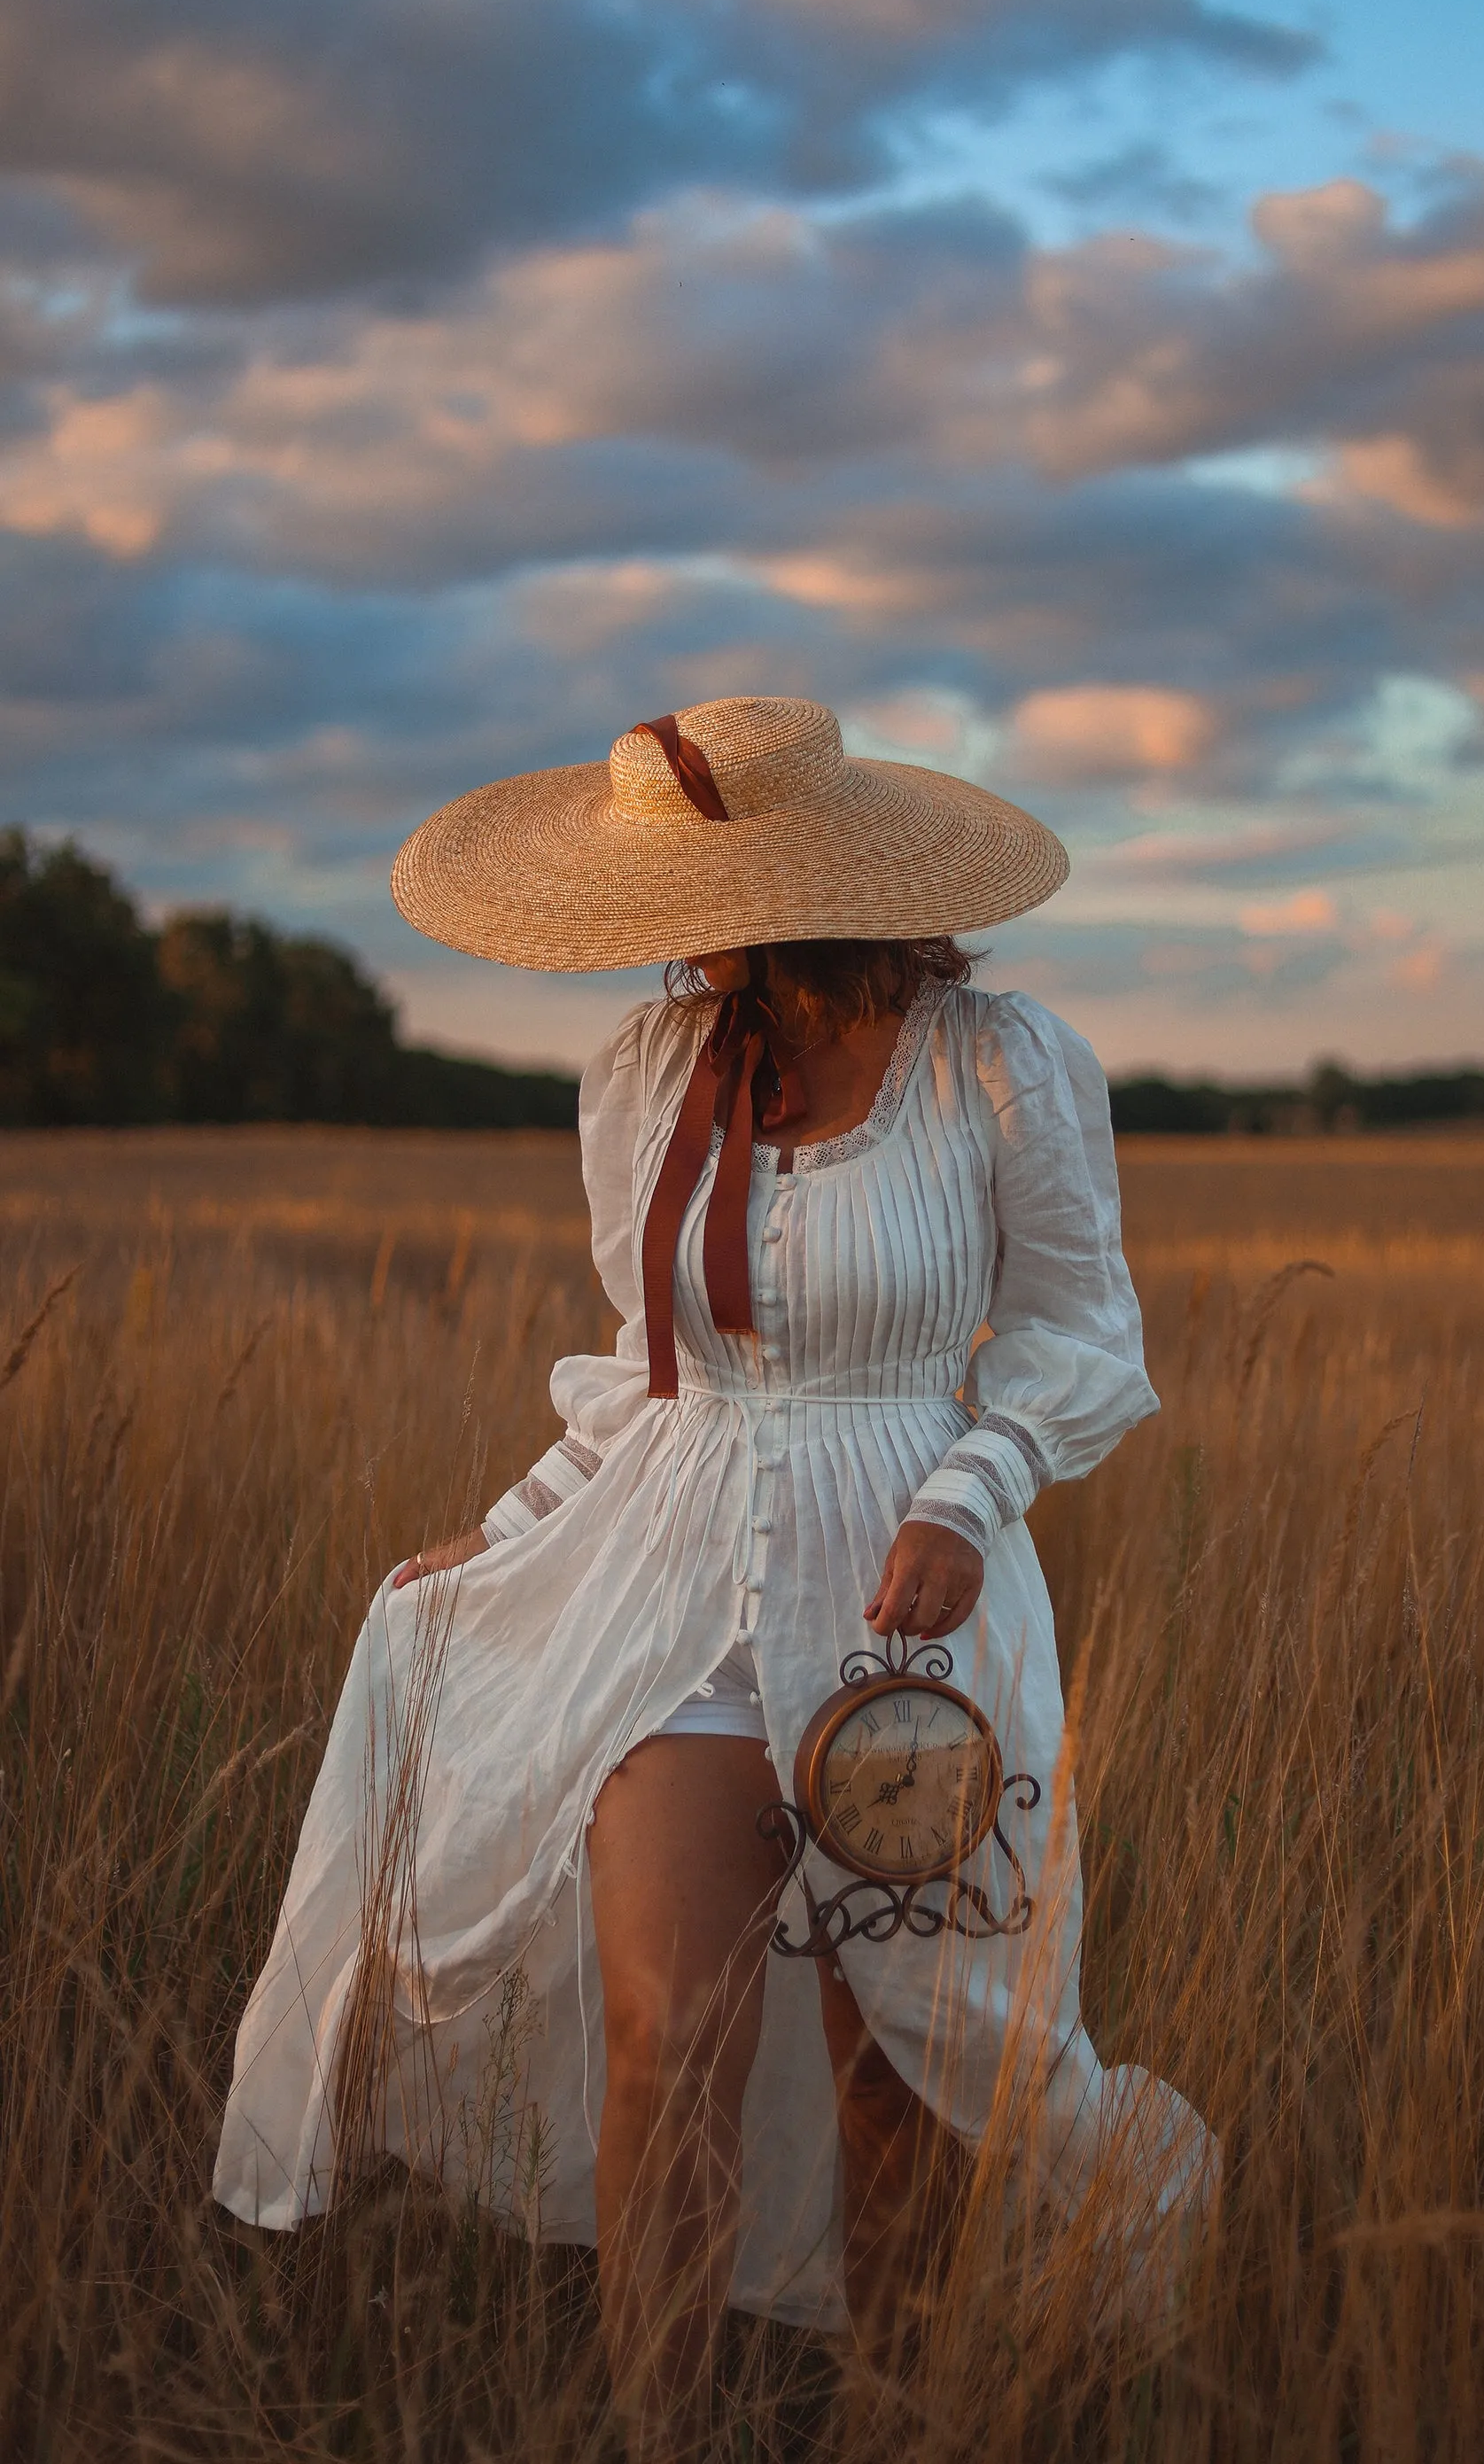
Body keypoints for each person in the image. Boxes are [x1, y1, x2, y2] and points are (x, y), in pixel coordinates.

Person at [213, 696, 1216, 2452]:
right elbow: (647, 1371)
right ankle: (657, 2432)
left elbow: (1079, 1338)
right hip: (665, 1600)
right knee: (660, 2040)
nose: (667, 933)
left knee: (897, 2079)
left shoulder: (1000, 1060)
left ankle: (884, 2420)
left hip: (915, 1607)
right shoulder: (647, 1072)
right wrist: (515, 1534)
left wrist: (971, 1495)